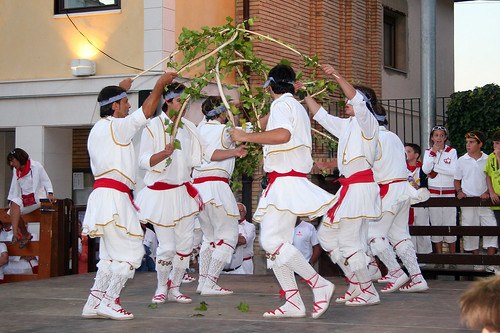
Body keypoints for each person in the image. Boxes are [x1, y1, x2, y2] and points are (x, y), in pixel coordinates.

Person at [230, 64, 335, 319]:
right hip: (286, 181)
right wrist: (246, 130)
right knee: (278, 247)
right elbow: (265, 125)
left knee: (270, 242)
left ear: (270, 86)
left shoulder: (282, 105)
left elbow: (282, 135)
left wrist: (246, 135)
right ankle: (293, 301)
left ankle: (318, 283)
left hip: (285, 181)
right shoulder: (294, 105)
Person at [81, 71, 177, 320]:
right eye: (124, 103)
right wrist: (159, 85)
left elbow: (125, 108)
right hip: (114, 196)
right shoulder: (117, 127)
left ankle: (94, 302)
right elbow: (145, 112)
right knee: (132, 252)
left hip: (105, 195)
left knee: (111, 255)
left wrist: (120, 88)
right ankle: (109, 301)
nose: (128, 106)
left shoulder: (98, 129)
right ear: (114, 107)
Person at [303, 64, 381, 307]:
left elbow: (356, 99)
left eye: (350, 100)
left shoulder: (368, 122)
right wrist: (303, 92)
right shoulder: (347, 126)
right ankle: (357, 283)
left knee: (349, 242)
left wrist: (337, 74)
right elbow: (321, 116)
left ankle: (368, 290)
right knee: (326, 236)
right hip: (348, 190)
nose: (346, 102)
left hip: (359, 189)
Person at [135, 82, 203, 304]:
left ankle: (175, 287)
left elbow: (204, 152)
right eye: (180, 101)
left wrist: (234, 148)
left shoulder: (188, 127)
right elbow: (143, 160)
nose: (184, 105)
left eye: (186, 102)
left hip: (183, 193)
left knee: (185, 246)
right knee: (168, 247)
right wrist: (163, 155)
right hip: (161, 195)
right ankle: (161, 287)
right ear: (168, 101)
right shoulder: (152, 126)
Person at [367, 115, 430, 293]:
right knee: (400, 235)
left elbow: (366, 165)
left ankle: (395, 271)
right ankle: (417, 278)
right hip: (403, 190)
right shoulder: (394, 137)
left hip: (388, 191)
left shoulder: (372, 138)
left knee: (372, 234)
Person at [193, 96, 248, 296]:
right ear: (221, 113)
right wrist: (235, 151)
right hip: (215, 185)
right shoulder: (224, 130)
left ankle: (202, 282)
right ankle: (210, 282)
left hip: (198, 188)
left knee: (210, 237)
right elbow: (215, 152)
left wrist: (229, 107)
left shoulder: (198, 130)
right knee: (228, 235)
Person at [454, 131, 497, 271]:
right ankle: (477, 261)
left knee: (491, 228)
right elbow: (457, 180)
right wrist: (459, 192)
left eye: (472, 142)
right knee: (469, 229)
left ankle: (490, 262)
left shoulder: (488, 158)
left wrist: (487, 192)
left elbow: (490, 177)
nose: (468, 145)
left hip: (485, 200)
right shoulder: (461, 160)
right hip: (468, 201)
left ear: (480, 144)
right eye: (467, 142)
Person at [4, 148, 56, 248]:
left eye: (12, 161)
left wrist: (50, 193)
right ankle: (19, 234)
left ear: (19, 158)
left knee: (14, 211)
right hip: (24, 199)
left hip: (37, 198)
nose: (11, 164)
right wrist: (10, 201)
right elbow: (14, 186)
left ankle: (20, 234)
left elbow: (46, 180)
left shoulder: (36, 166)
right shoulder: (17, 171)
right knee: (12, 209)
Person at [422, 125, 458, 268]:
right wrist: (433, 155)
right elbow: (425, 169)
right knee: (436, 223)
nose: (439, 138)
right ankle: (439, 259)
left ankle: (452, 258)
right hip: (434, 192)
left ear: (445, 137)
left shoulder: (452, 151)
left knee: (450, 224)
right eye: (436, 135)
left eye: (441, 135)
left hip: (449, 192)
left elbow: (454, 171)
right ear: (432, 137)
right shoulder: (428, 152)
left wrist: (435, 167)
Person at [405, 143, 432, 256]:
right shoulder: (401, 168)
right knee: (408, 232)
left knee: (422, 230)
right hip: (407, 205)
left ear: (416, 155)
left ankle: (425, 256)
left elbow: (428, 186)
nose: (405, 153)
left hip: (421, 204)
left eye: (409, 151)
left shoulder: (423, 169)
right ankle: (411, 256)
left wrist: (419, 188)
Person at [222, 202, 256, 274]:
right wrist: (236, 237)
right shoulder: (228, 225)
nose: (239, 213)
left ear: (245, 212)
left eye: (241, 211)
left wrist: (226, 238)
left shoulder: (250, 227)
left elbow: (243, 241)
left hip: (245, 263)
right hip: (229, 263)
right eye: (237, 211)